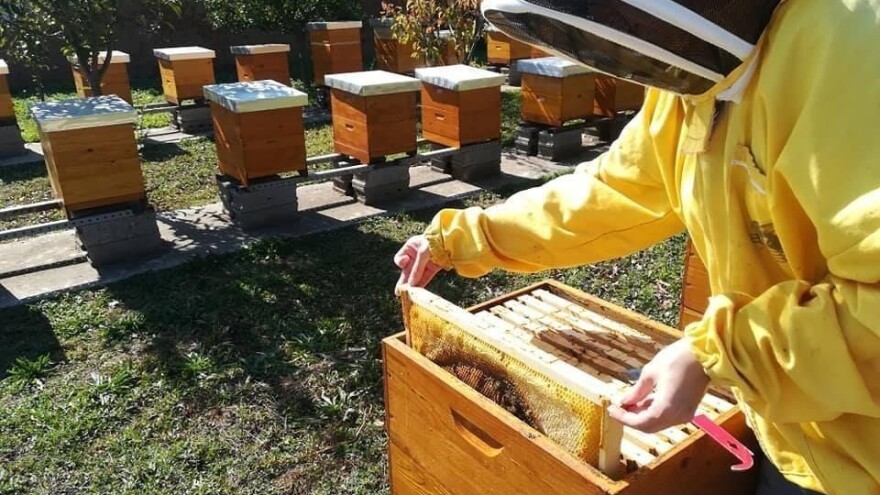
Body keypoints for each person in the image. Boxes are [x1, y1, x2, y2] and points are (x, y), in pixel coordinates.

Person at [393, 1, 880, 494]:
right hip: (790, 430)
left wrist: (719, 354)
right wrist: (466, 237)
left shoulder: (856, 53)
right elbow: (614, 191)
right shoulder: (692, 83)